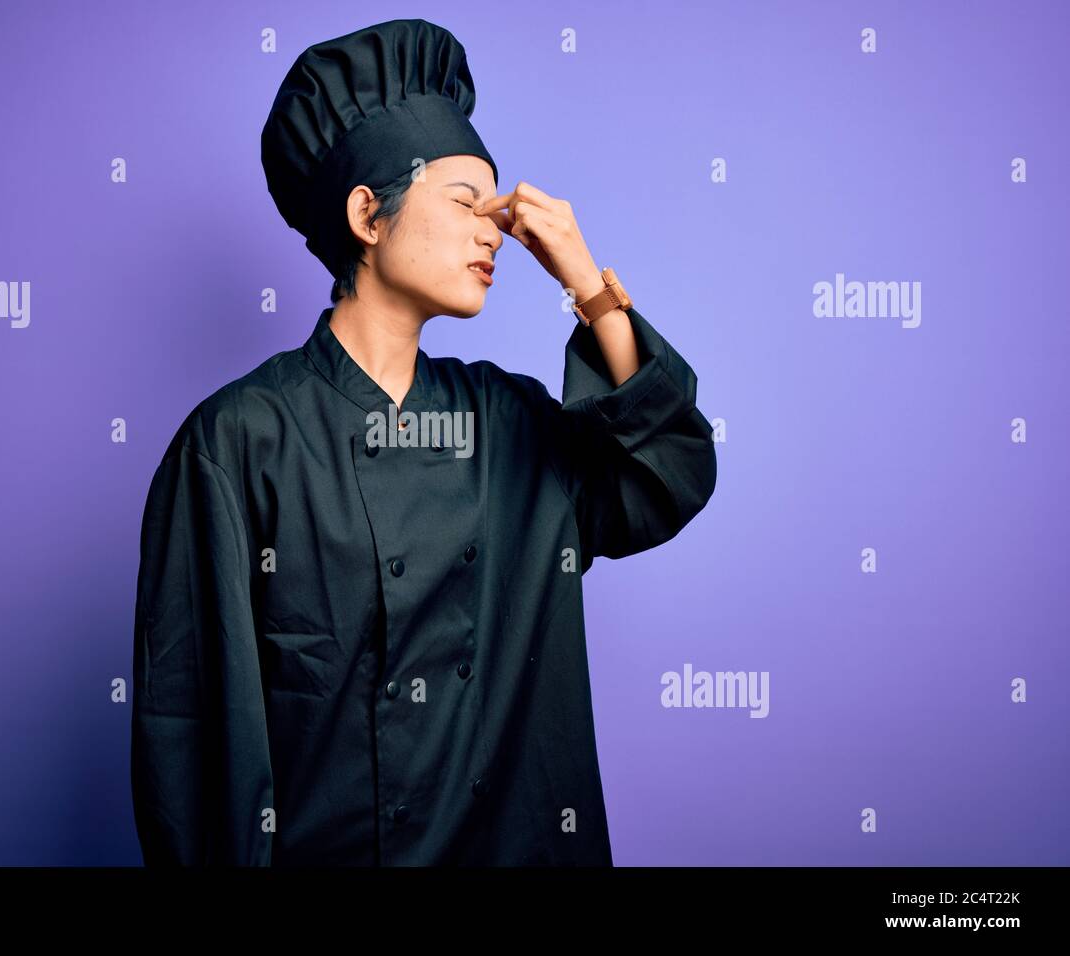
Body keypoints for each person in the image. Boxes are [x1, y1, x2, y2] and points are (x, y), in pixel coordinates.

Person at [130, 18, 717, 866]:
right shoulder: (236, 442)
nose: (495, 232)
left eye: (497, 208)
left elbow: (666, 476)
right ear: (368, 214)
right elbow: (193, 740)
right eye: (464, 202)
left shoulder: (508, 424)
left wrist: (591, 290)